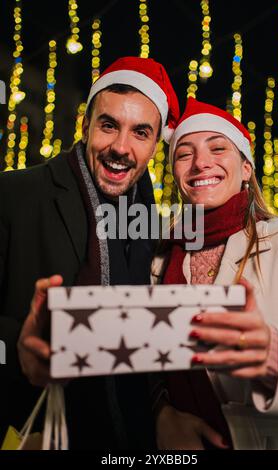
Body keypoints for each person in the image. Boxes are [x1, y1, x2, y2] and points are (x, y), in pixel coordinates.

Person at [0, 56, 179, 449]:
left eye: (141, 132)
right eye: (109, 125)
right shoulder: (13, 195)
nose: (120, 147)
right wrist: (18, 350)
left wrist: (162, 410)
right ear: (86, 126)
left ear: (155, 145)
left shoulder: (152, 226)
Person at [152, 97, 278, 450]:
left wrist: (275, 354)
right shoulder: (158, 260)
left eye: (218, 148)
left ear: (246, 167)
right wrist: (161, 415)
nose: (201, 163)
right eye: (184, 154)